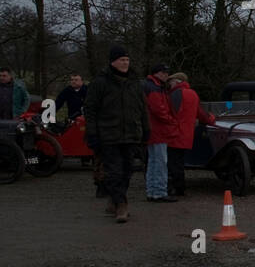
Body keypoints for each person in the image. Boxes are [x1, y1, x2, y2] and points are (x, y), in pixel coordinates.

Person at [83, 45, 150, 223]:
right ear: (113, 61)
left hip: (131, 133)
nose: (125, 63)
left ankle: (114, 199)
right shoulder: (100, 82)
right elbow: (90, 109)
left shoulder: (135, 82)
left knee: (128, 169)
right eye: (122, 60)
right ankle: (121, 204)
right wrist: (92, 133)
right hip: (108, 134)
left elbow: (142, 107)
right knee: (114, 171)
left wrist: (146, 128)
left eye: (127, 60)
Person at [166, 72, 215, 197]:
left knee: (173, 162)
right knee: (179, 161)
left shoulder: (174, 94)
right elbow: (201, 114)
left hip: (174, 133)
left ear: (177, 81)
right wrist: (211, 119)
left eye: (170, 82)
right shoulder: (193, 94)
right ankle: (180, 188)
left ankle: (175, 188)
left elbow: (170, 113)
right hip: (187, 134)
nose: (169, 84)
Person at [141, 63, 177, 202]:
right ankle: (159, 192)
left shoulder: (150, 86)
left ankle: (152, 191)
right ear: (157, 73)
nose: (166, 75)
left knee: (153, 161)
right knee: (160, 162)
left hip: (152, 130)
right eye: (164, 72)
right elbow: (158, 110)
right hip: (158, 130)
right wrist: (170, 120)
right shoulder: (155, 88)